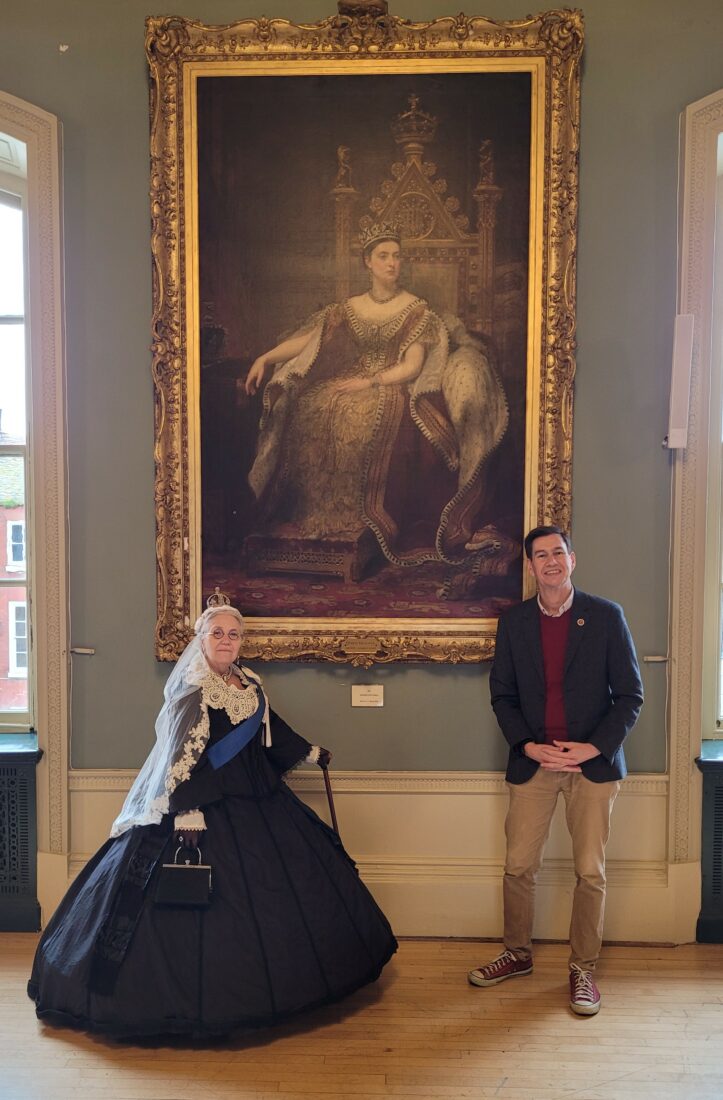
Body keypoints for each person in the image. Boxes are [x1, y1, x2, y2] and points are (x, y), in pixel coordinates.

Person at [28, 599, 397, 1037]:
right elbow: (178, 759)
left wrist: (309, 752)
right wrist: (188, 809)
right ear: (201, 640)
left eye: (233, 634)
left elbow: (270, 731)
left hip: (261, 799)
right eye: (217, 633)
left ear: (242, 643)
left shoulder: (249, 683)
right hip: (205, 804)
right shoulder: (193, 692)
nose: (225, 640)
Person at [244, 222, 509, 572]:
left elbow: (413, 367)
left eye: (397, 257)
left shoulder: (416, 310)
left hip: (391, 385)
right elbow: (309, 340)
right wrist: (265, 357)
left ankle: (360, 521)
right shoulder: (349, 307)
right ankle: (311, 517)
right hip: (350, 379)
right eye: (383, 256)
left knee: (363, 412)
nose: (392, 264)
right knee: (314, 403)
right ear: (367, 262)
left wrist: (370, 382)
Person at [467, 525, 643, 1015]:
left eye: (558, 553)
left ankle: (582, 969)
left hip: (592, 765)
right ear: (530, 566)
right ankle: (517, 953)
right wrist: (528, 744)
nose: (550, 561)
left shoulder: (606, 617)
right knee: (518, 865)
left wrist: (592, 748)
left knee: (590, 871)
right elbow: (502, 696)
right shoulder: (514, 623)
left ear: (572, 559)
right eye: (540, 555)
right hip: (534, 763)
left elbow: (631, 696)